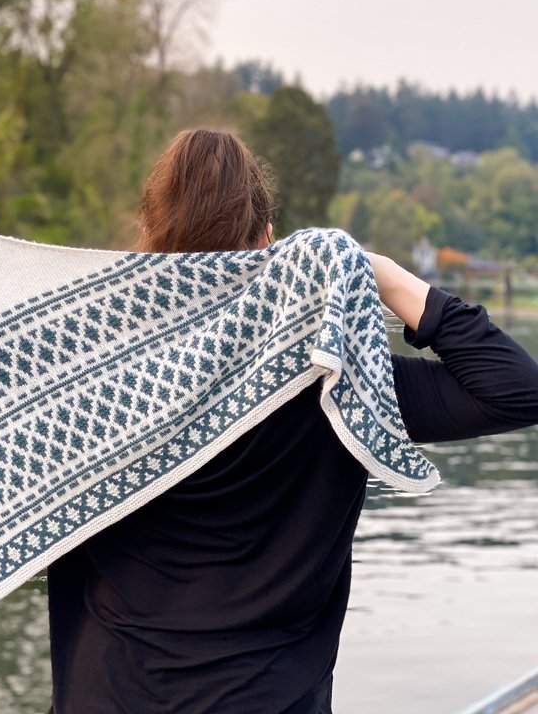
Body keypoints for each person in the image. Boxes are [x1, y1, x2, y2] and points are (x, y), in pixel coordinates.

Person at [44, 128, 538, 713]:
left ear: (147, 240)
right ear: (268, 245)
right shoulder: (339, 382)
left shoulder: (80, 387)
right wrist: (373, 268)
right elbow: (516, 388)